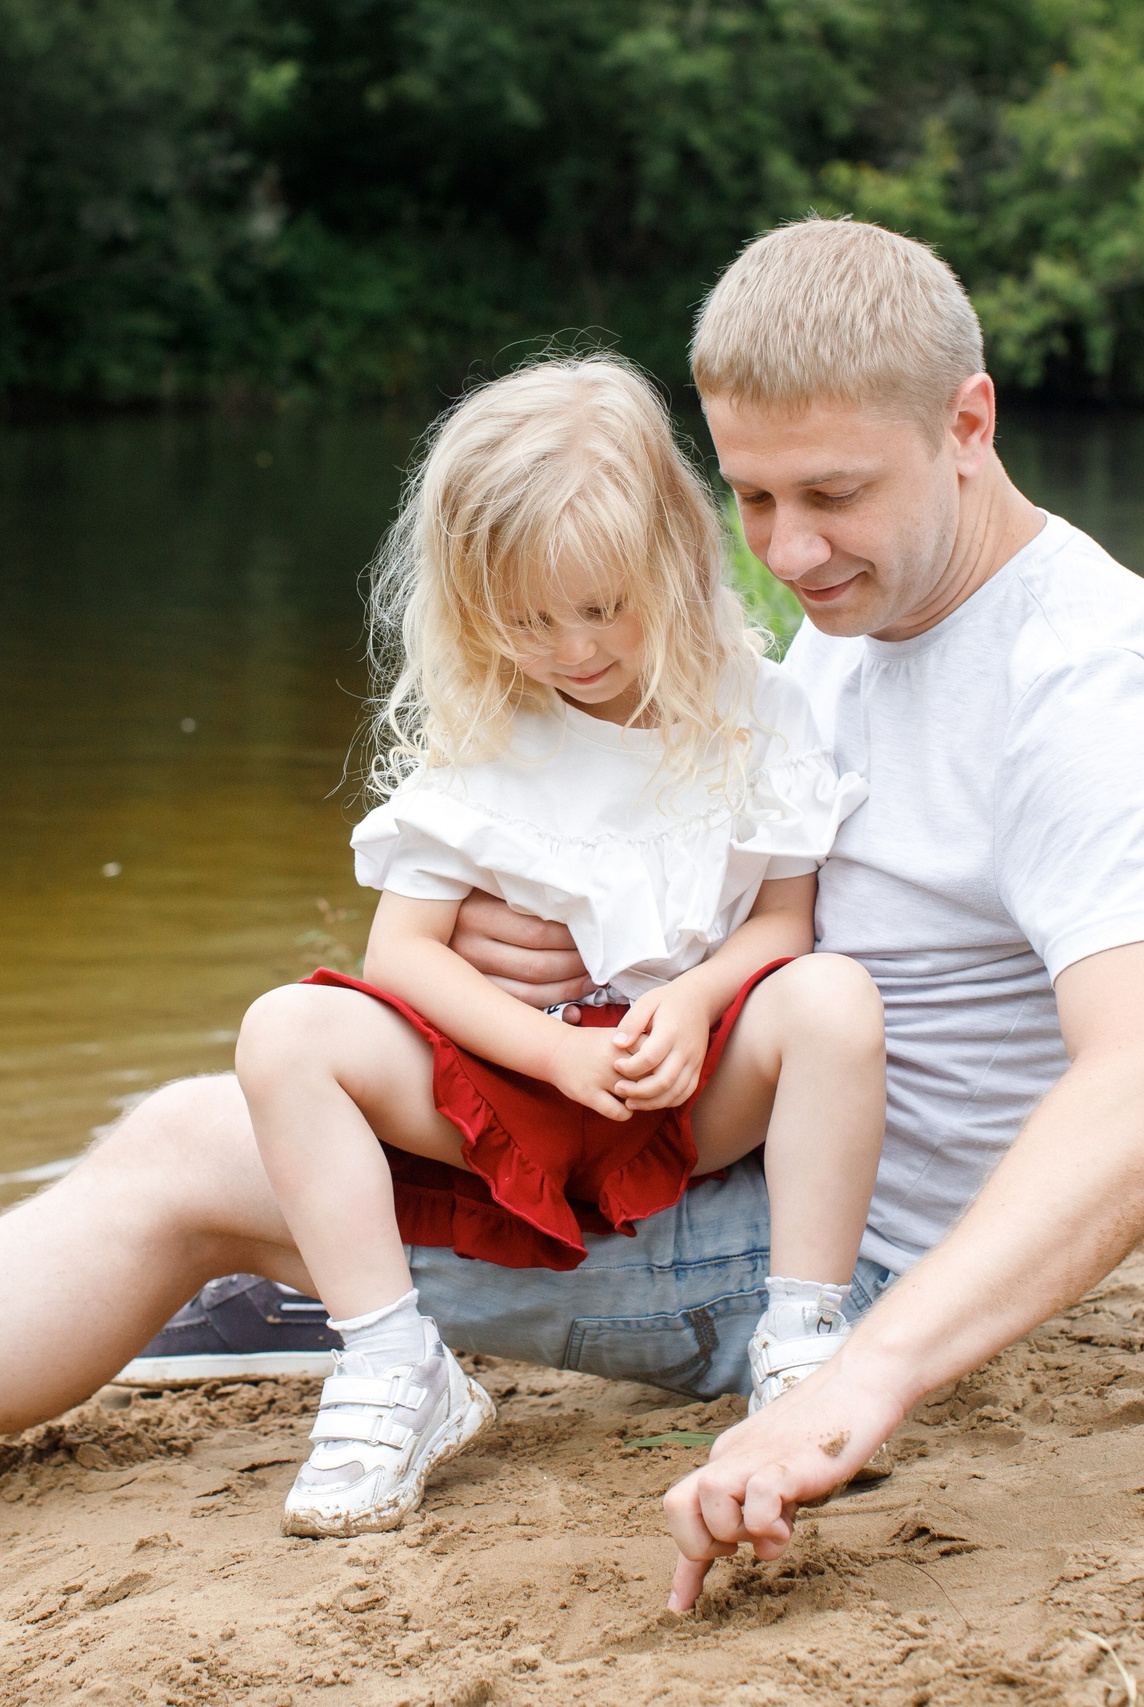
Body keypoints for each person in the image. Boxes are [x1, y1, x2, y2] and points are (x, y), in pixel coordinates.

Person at [0, 215, 1144, 1614]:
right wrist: (568, 953)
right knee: (289, 1088)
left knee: (172, 1154)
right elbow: (724, 866)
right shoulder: (849, 629)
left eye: (831, 495)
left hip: (811, 1264)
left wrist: (867, 1383)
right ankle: (327, 1283)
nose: (784, 554)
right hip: (706, 1147)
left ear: (970, 422)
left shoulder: (1094, 687)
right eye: (751, 497)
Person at [239, 355, 884, 1538]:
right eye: (527, 621)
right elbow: (405, 960)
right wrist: (550, 1057)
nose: (572, 650)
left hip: (687, 1083)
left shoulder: (757, 708)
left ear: (678, 563)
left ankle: (800, 1338)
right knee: (284, 1030)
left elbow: (782, 926)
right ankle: (392, 1362)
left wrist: (691, 1002)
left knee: (834, 998)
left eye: (601, 610)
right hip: (519, 1086)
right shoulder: (490, 729)